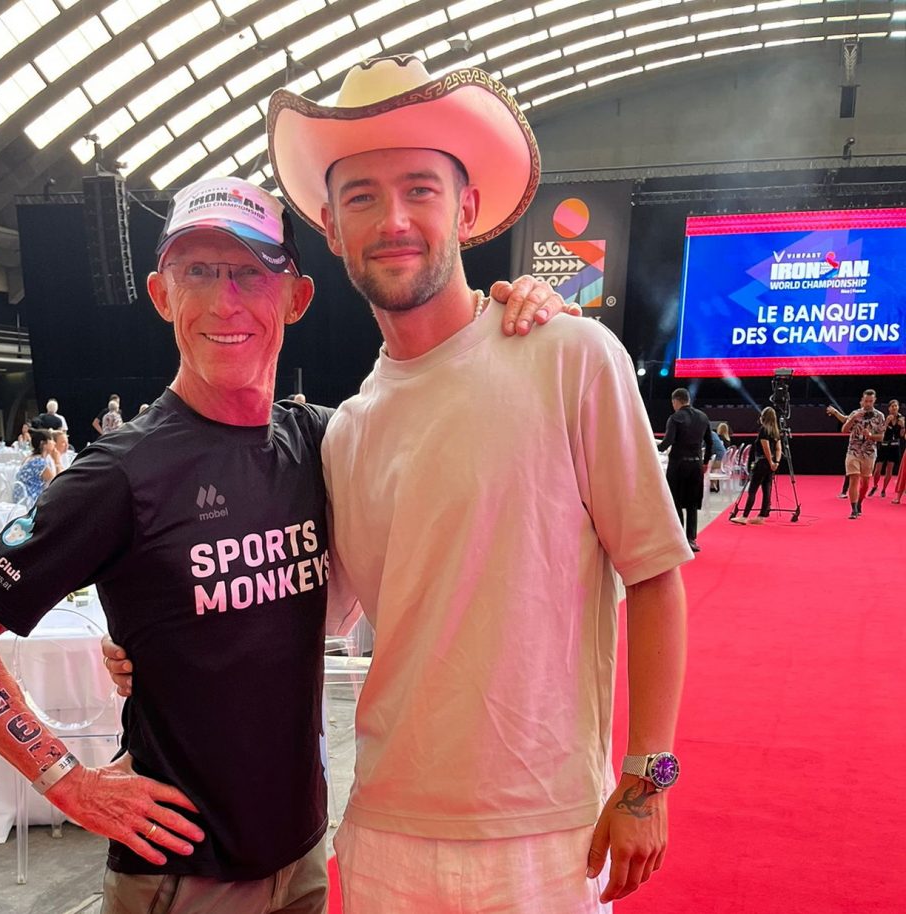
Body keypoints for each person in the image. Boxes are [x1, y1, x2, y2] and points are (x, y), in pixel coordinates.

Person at [0, 170, 564, 914]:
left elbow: (451, 420)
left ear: (295, 297)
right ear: (162, 295)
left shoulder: (322, 442)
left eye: (251, 274)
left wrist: (520, 328)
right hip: (184, 879)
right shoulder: (120, 473)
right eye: (198, 272)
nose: (225, 302)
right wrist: (66, 779)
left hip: (304, 855)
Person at [266, 55, 690, 912]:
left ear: (464, 209)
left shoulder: (571, 357)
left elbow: (653, 573)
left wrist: (648, 778)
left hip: (547, 836)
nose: (394, 219)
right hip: (385, 833)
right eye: (362, 197)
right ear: (331, 227)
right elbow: (305, 615)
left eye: (419, 190)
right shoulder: (347, 432)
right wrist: (158, 645)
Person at [657, 388, 712, 552]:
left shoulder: (675, 418)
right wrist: (705, 462)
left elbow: (667, 442)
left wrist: (653, 447)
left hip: (678, 465)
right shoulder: (703, 417)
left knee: (676, 502)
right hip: (696, 465)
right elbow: (709, 443)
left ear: (676, 401)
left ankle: (679, 537)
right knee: (692, 504)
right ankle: (691, 539)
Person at [730, 407, 781, 525]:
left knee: (752, 490)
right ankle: (762, 516)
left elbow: (766, 447)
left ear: (763, 417)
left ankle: (744, 516)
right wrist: (776, 462)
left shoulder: (764, 430)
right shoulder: (776, 432)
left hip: (762, 463)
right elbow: (778, 449)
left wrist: (770, 461)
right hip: (771, 465)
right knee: (766, 489)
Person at [840, 389, 885, 520]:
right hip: (853, 450)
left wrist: (870, 436)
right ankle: (853, 509)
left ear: (874, 401)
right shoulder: (855, 413)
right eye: (866, 401)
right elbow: (844, 430)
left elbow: (881, 437)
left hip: (869, 453)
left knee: (865, 482)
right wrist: (852, 419)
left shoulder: (880, 416)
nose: (868, 404)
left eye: (870, 401)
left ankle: (859, 501)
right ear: (862, 401)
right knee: (854, 478)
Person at [869, 399, 903, 498]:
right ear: (889, 408)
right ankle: (875, 485)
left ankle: (884, 489)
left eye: (896, 406)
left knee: (889, 469)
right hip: (884, 446)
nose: (894, 408)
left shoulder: (901, 419)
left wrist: (903, 427)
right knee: (877, 469)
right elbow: (880, 430)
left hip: (894, 447)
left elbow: (902, 435)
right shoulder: (884, 418)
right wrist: (887, 422)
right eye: (892, 406)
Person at [13, 428, 57, 504]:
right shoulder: (39, 462)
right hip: (31, 501)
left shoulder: (30, 458)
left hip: (21, 499)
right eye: (51, 440)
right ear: (43, 443)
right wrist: (57, 461)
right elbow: (55, 483)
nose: (54, 443)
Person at [708, 426, 726, 493]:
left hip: (719, 461)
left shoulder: (708, 435)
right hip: (724, 459)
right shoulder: (713, 433)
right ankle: (713, 485)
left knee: (700, 466)